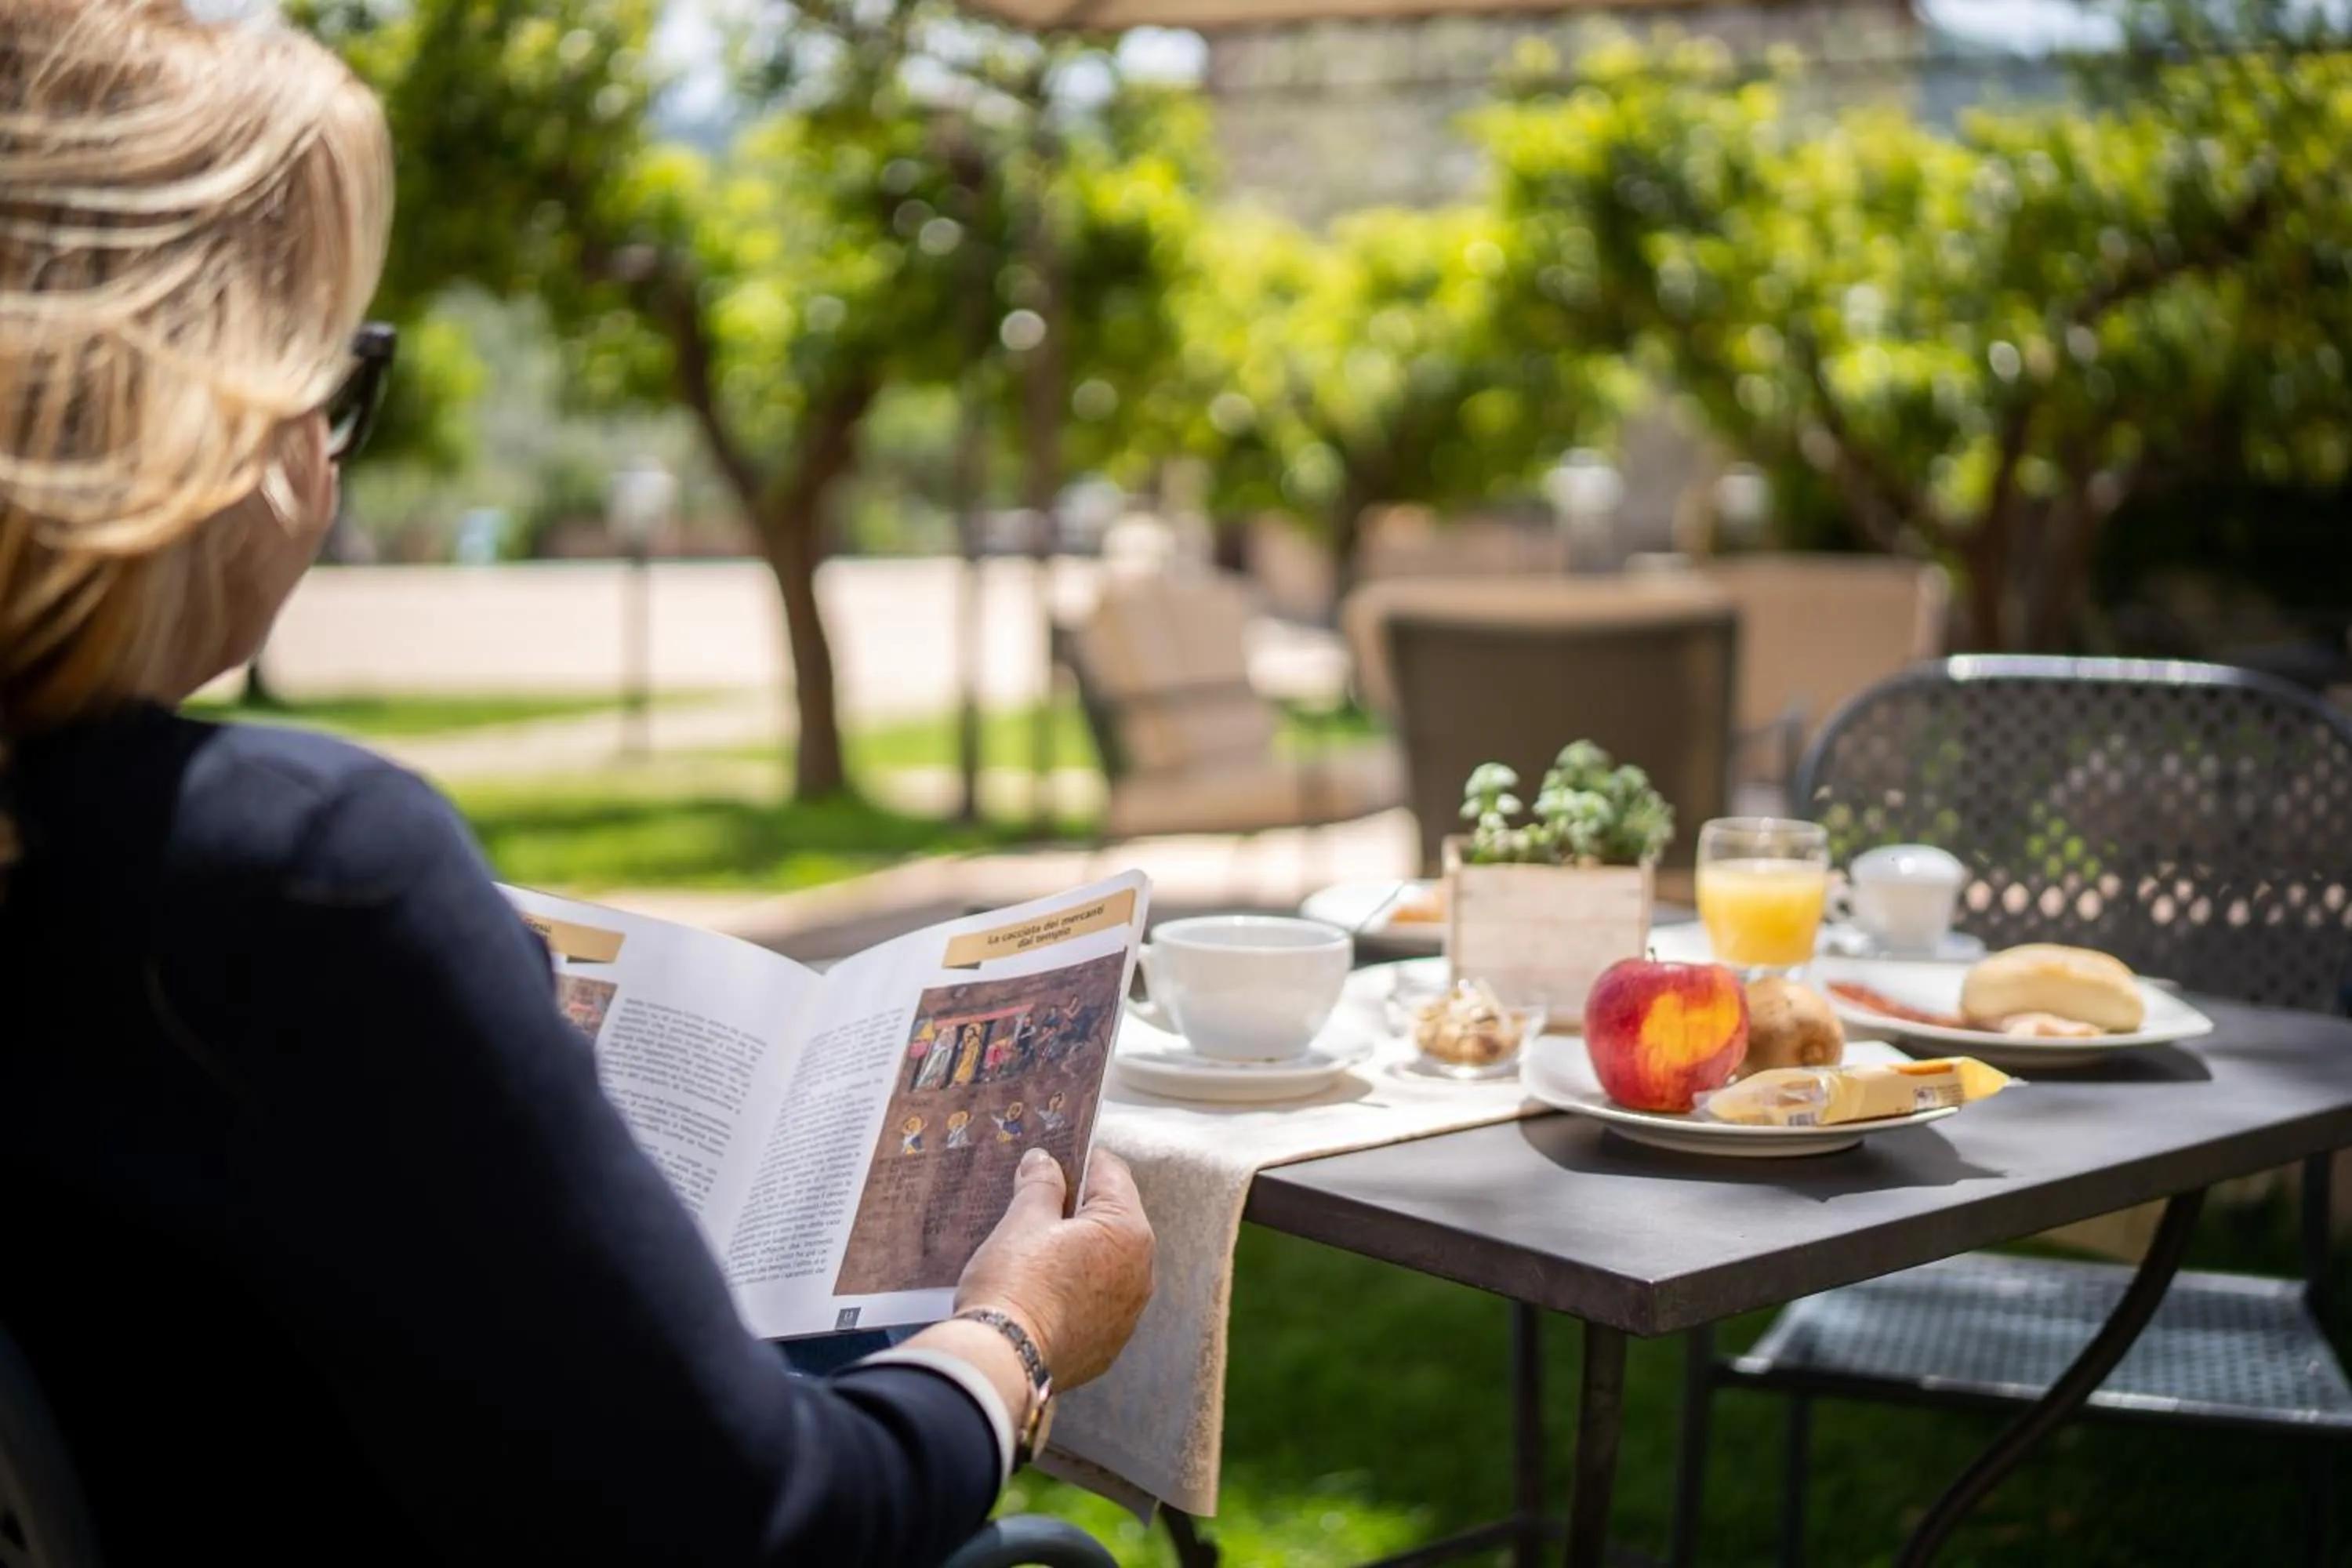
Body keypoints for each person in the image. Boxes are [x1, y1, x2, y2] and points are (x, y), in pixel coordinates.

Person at [0, 5, 1155, 1566]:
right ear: (208, 411)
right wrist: (1018, 1332)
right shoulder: (299, 873)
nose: (332, 459)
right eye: (336, 372)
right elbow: (769, 1523)